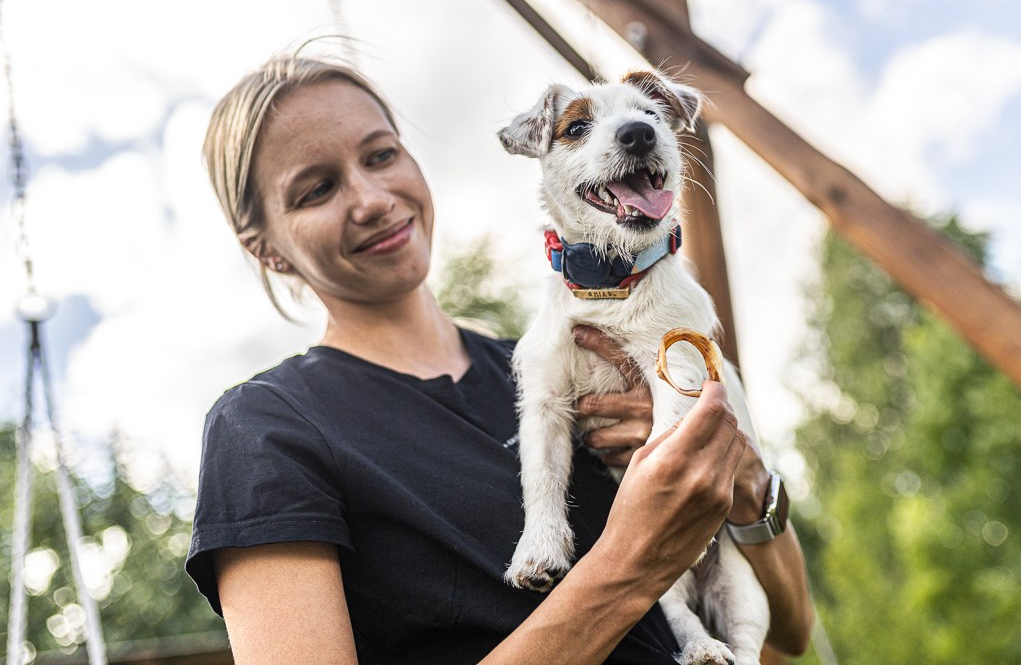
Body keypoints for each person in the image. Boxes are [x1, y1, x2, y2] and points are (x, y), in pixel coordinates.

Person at [185, 50, 813, 664]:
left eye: (381, 155)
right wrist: (628, 567)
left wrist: (747, 480)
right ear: (265, 247)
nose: (372, 197)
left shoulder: (577, 365)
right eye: (317, 189)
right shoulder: (267, 431)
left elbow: (793, 630)